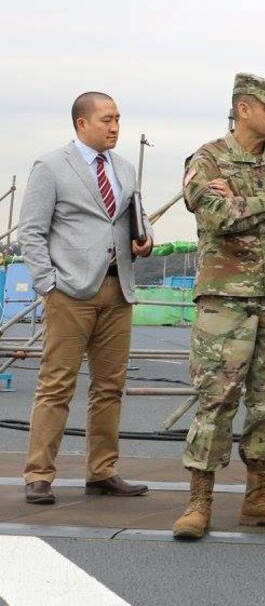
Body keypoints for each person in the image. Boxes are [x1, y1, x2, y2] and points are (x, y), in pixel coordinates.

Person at [172, 73, 265, 541]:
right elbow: (214, 214)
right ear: (242, 109)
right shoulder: (208, 157)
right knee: (216, 400)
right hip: (225, 301)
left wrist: (249, 206)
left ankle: (258, 497)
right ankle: (199, 502)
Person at [17, 92, 152, 505]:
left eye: (118, 120)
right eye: (107, 120)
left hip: (118, 288)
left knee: (110, 386)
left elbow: (132, 222)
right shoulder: (51, 166)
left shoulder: (125, 168)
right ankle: (39, 474)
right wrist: (47, 284)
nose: (115, 127)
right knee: (56, 385)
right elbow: (31, 232)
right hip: (69, 293)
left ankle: (102, 470)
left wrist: (144, 242)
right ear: (81, 123)